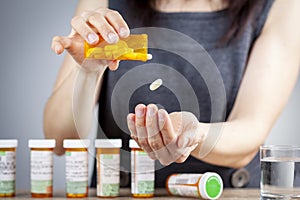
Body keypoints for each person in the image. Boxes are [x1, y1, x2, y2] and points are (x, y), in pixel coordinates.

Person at [44, 0, 300, 188]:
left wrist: (193, 134)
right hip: (123, 192)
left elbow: (251, 133)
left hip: (228, 191)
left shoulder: (280, 5)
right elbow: (57, 138)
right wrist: (88, 71)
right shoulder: (105, 4)